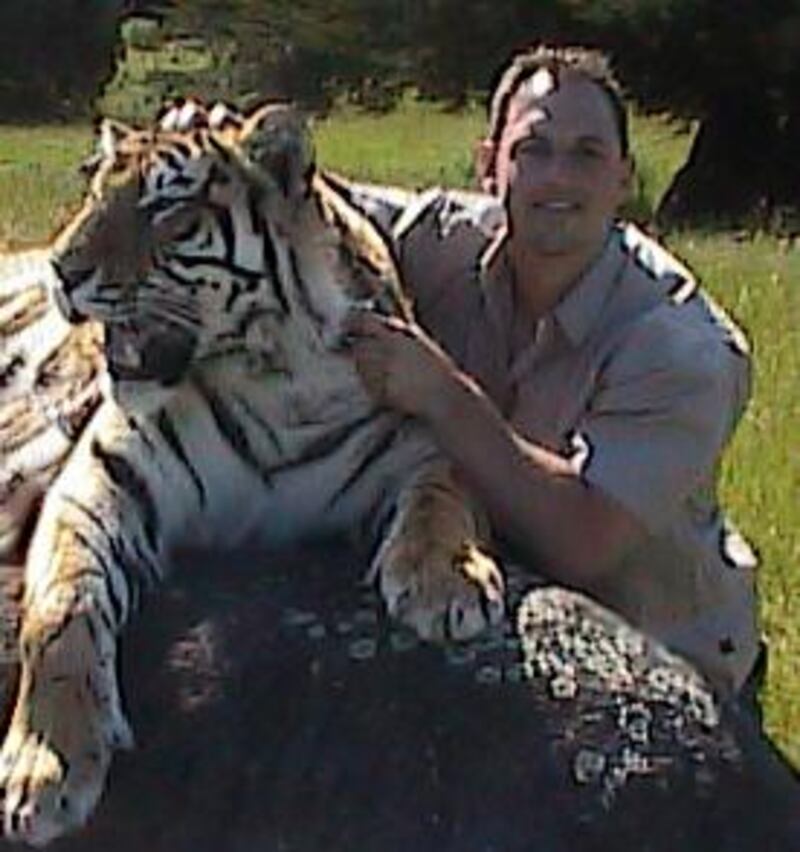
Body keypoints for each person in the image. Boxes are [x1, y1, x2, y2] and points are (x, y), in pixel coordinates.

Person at [343, 45, 761, 700]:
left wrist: (443, 396)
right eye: (532, 151)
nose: (557, 179)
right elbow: (325, 202)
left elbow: (583, 540)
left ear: (624, 180)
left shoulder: (681, 348)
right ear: (488, 167)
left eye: (586, 155)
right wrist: (220, 145)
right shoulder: (444, 242)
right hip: (503, 606)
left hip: (663, 654)